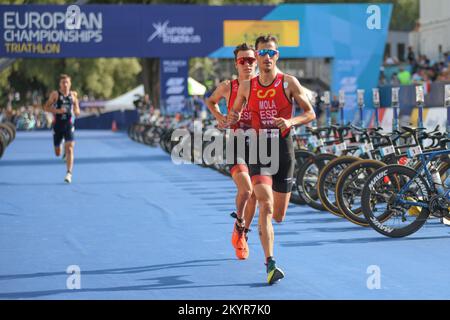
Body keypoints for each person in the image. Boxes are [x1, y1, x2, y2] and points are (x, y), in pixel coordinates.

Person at [227, 35, 316, 285]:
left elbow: (310, 113)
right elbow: (234, 113)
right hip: (259, 148)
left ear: (277, 56)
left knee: (278, 215)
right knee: (264, 204)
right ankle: (271, 263)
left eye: (271, 53)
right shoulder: (247, 86)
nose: (267, 57)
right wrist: (227, 119)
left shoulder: (289, 83)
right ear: (257, 56)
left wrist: (291, 121)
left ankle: (254, 235)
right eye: (262, 53)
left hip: (284, 150)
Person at [206, 43, 258, 260]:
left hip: (259, 145)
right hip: (236, 144)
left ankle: (242, 235)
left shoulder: (263, 86)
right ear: (236, 64)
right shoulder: (228, 86)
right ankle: (239, 223)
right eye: (242, 60)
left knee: (256, 194)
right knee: (246, 191)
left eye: (251, 60)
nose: (247, 64)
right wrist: (220, 118)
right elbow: (210, 101)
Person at [43, 74, 80, 183]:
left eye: (67, 82)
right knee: (57, 153)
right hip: (57, 125)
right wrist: (58, 111)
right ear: (60, 84)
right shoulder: (55, 95)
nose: (65, 85)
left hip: (68, 124)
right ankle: (61, 147)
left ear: (70, 83)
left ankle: (69, 173)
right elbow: (46, 107)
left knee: (70, 148)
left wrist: (76, 112)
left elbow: (77, 111)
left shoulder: (73, 96)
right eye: (63, 83)